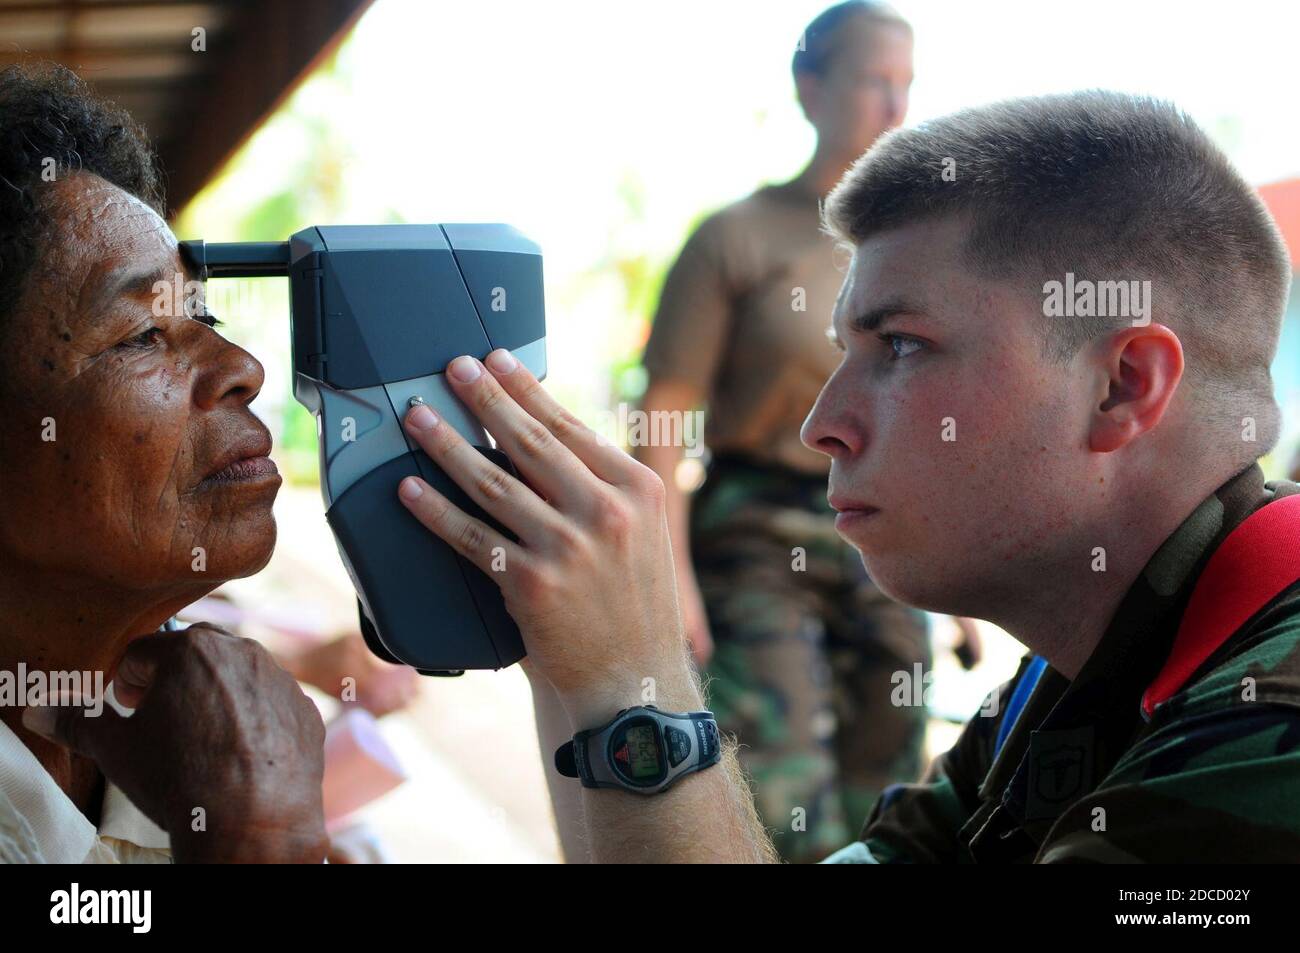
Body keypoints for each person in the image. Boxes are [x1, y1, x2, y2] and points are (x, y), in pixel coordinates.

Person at [392, 89, 1300, 862]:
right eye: (844, 350)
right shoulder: (1064, 686)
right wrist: (578, 662)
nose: (821, 424)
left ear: (1121, 386)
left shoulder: (1272, 734)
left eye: (901, 345)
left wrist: (638, 688)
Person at [638, 0, 968, 860]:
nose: (894, 108)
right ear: (809, 86)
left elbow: (950, 410)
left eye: (906, 85)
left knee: (893, 791)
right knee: (781, 795)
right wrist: (668, 574)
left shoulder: (928, 252)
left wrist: (968, 569)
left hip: (887, 531)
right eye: (870, 81)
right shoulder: (735, 238)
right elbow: (665, 412)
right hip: (755, 530)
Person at [0, 63, 328, 864]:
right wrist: (263, 842)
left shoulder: (184, 740)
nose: (243, 365)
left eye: (203, 315)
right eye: (144, 335)